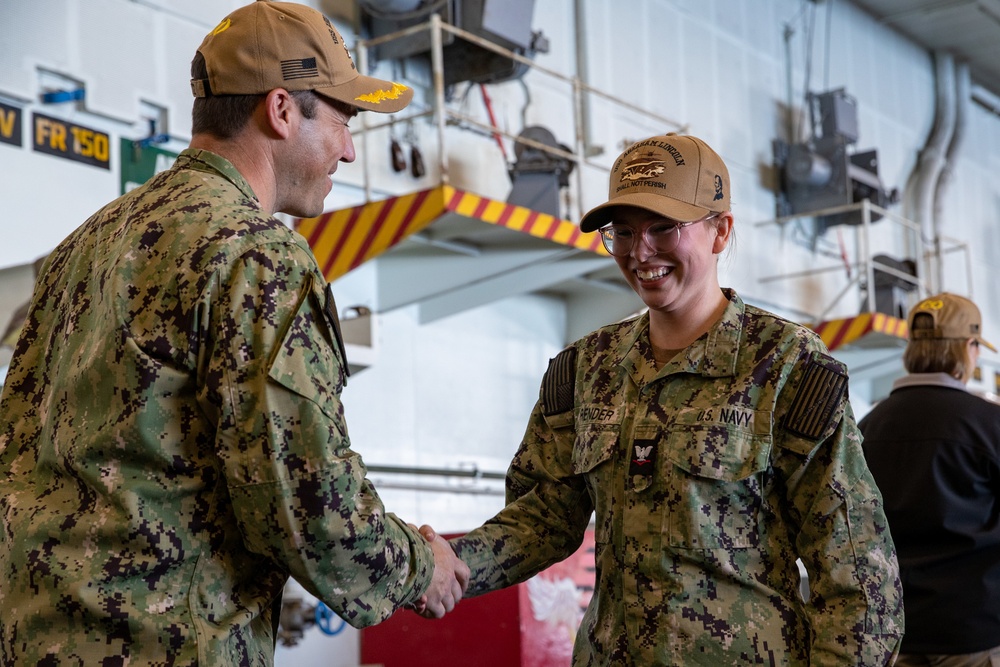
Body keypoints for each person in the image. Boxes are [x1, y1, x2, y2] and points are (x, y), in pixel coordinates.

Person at [0, 1, 468, 664]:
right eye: (343, 119)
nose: (350, 147)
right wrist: (422, 565)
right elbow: (310, 501)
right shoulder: (255, 254)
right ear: (281, 110)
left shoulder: (88, 242)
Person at [432, 133, 904, 664]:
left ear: (720, 231)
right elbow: (542, 517)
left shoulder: (785, 365)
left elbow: (858, 575)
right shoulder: (586, 369)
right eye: (624, 232)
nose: (641, 252)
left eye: (664, 228)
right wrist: (446, 562)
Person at [861, 293, 1000, 666]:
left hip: (895, 630)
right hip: (974, 631)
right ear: (968, 348)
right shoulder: (989, 424)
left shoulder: (867, 428)